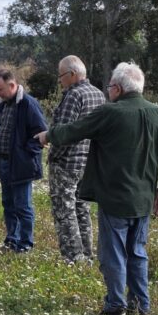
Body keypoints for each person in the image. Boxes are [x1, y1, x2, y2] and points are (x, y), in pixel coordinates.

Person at [35, 62, 158, 315]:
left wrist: (48, 136)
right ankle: (141, 306)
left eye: (110, 87)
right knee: (137, 252)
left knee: (113, 254)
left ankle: (115, 307)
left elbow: (74, 130)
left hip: (115, 199)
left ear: (116, 89)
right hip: (144, 200)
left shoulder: (110, 112)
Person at [48, 56, 106, 263]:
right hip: (87, 164)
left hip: (67, 163)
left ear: (72, 75)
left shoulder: (73, 96)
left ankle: (74, 258)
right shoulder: (99, 95)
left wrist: (52, 157)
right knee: (82, 209)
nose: (60, 81)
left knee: (65, 212)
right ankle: (87, 254)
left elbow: (62, 133)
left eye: (61, 76)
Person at [0, 69, 48, 253]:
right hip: (4, 163)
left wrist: (25, 153)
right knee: (9, 204)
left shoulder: (28, 104)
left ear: (12, 85)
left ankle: (25, 244)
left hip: (21, 165)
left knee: (23, 206)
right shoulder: (3, 105)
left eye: (0, 89)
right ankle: (11, 240)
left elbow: (41, 134)